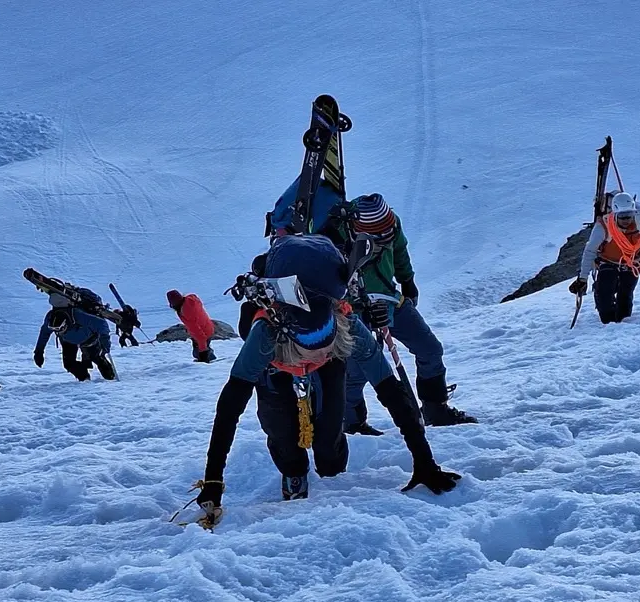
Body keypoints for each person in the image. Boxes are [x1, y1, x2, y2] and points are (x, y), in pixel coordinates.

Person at [186, 234, 460, 529]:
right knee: (281, 430)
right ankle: (293, 470)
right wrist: (213, 480)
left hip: (329, 354)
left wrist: (424, 460)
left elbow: (391, 391)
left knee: (330, 429)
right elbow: (229, 408)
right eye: (309, 351)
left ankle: (331, 473)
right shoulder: (265, 334)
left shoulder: (348, 325)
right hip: (278, 365)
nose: (315, 355)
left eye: (322, 349)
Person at [321, 193, 476, 432]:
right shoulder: (333, 235)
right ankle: (351, 423)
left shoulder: (389, 221)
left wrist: (407, 281)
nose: (386, 238)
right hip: (352, 308)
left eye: (388, 232)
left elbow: (400, 250)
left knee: (430, 348)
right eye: (378, 237)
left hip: (390, 299)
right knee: (357, 371)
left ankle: (435, 407)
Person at [570, 191, 640, 323]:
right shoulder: (603, 226)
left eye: (629, 215)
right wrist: (583, 278)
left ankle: (623, 323)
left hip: (632, 263)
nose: (626, 219)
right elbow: (590, 251)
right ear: (614, 214)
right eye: (622, 216)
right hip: (608, 262)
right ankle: (609, 323)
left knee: (625, 294)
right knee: (605, 294)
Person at [33, 305, 116, 380]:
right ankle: (84, 379)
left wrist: (105, 343)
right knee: (69, 364)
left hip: (88, 337)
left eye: (59, 329)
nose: (57, 332)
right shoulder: (50, 318)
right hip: (67, 340)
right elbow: (44, 333)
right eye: (54, 330)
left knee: (97, 358)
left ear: (65, 324)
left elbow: (102, 324)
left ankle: (110, 378)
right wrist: (39, 351)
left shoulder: (78, 315)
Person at [166, 290, 217, 363]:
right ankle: (208, 355)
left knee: (199, 353)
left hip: (203, 333)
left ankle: (208, 360)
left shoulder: (185, 312)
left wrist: (203, 351)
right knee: (202, 349)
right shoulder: (190, 299)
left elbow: (198, 332)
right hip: (208, 327)